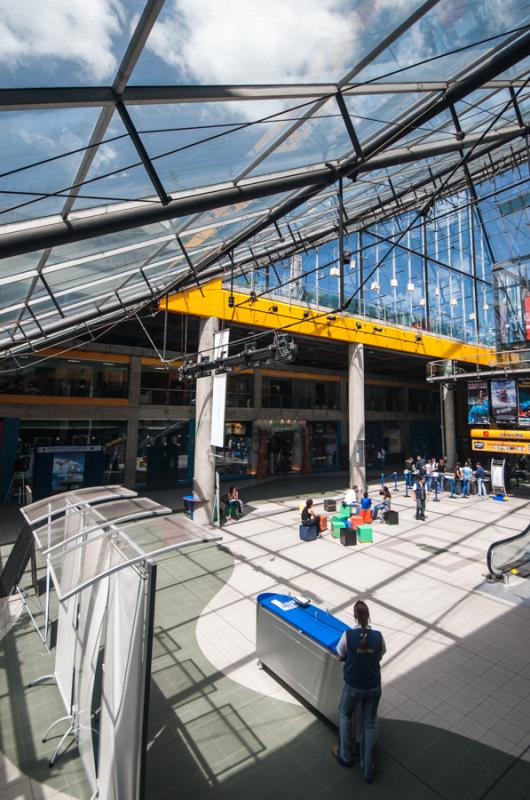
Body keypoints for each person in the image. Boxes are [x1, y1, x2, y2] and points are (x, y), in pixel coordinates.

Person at [332, 600, 386, 782]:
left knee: (345, 713)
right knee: (369, 724)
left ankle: (345, 755)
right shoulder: (378, 636)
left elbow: (340, 656)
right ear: (368, 616)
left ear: (355, 616)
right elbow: (379, 655)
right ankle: (367, 768)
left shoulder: (348, 635)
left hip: (354, 686)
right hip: (373, 687)